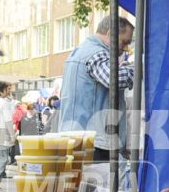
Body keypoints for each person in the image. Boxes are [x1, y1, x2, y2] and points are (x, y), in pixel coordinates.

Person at [58, 14, 135, 142]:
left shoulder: (79, 52)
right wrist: (139, 68)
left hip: (75, 135)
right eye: (124, 42)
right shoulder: (97, 53)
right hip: (94, 140)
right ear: (111, 34)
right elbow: (114, 79)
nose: (126, 49)